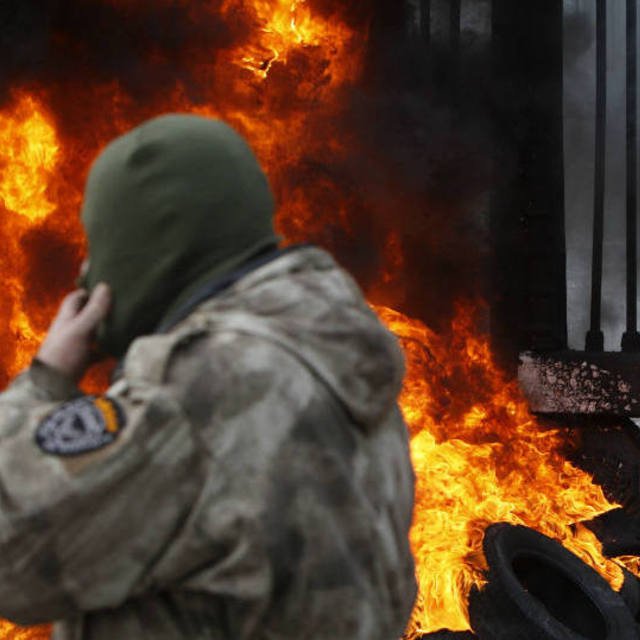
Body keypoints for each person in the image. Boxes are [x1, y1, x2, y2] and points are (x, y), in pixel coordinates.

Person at [0, 114, 418, 638]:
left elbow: (13, 555)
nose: (89, 272)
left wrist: (45, 379)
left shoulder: (205, 388)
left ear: (153, 244)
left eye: (98, 242)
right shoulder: (336, 355)